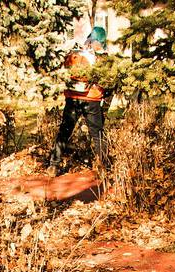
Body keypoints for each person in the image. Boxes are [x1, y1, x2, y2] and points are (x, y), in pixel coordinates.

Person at [50, 26, 110, 172]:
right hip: (92, 99)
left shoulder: (75, 53)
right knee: (97, 134)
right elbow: (107, 81)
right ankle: (104, 167)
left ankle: (53, 165)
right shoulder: (101, 57)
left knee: (65, 131)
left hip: (73, 98)